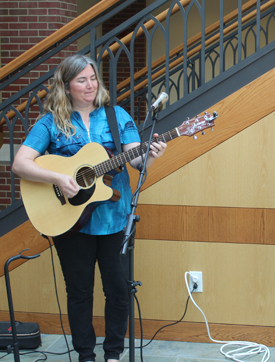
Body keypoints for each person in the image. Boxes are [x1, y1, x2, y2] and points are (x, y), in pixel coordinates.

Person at [12, 54, 167, 362]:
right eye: (82, 80)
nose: (90, 85)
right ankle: (85, 354)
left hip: (115, 218)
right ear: (66, 87)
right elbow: (20, 164)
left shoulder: (117, 116)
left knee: (119, 290)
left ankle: (112, 354)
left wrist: (152, 155)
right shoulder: (51, 122)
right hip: (71, 223)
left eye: (93, 78)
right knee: (80, 292)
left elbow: (136, 162)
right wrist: (59, 177)